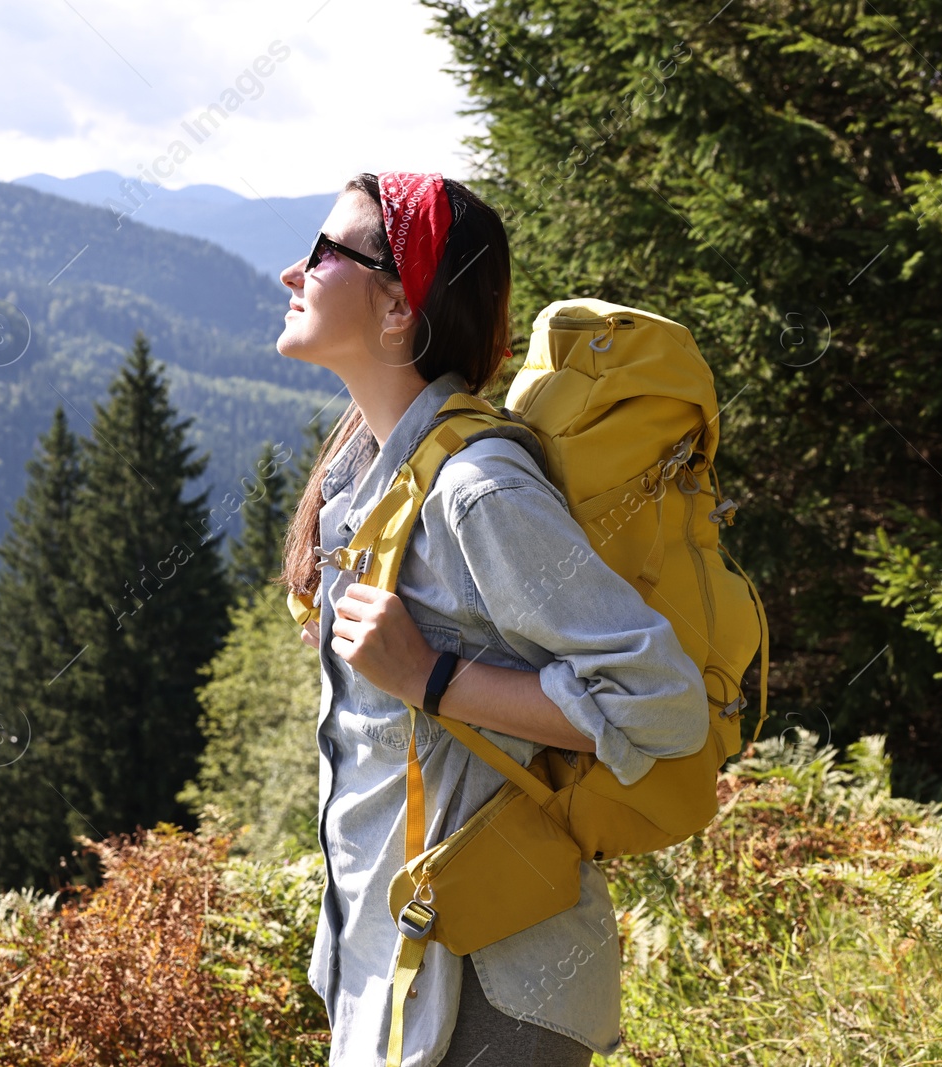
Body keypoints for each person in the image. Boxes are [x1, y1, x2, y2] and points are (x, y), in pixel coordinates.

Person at [274, 172, 710, 1066]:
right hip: (394, 973)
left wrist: (429, 678)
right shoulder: (370, 479)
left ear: (398, 307)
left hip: (495, 992)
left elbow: (660, 701)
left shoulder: (477, 489)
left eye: (324, 253)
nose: (294, 271)